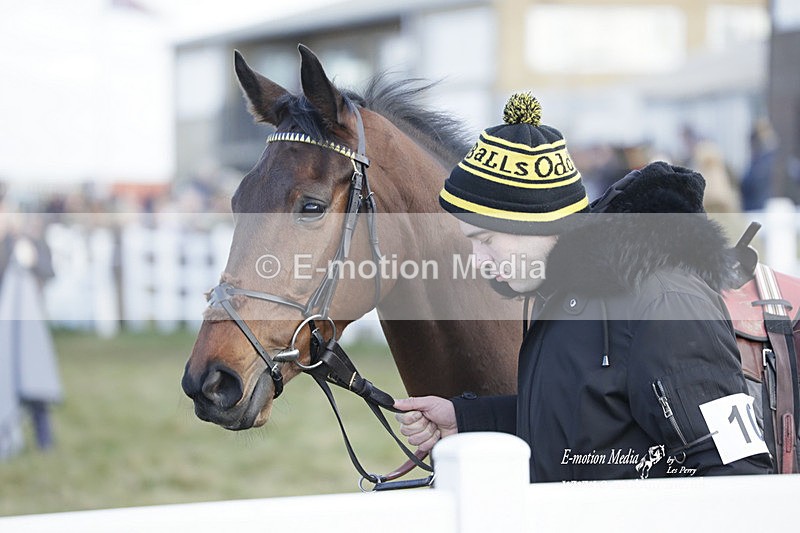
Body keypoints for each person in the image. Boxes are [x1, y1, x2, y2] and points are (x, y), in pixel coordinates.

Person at [395, 93, 773, 481]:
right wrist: (467, 420)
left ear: (536, 222)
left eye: (487, 240)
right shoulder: (561, 291)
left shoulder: (665, 299)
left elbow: (735, 472)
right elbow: (576, 425)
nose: (478, 260)